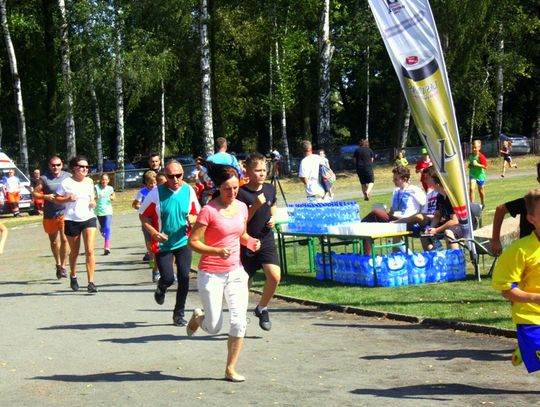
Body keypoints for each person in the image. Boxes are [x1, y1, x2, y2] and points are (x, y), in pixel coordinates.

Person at [187, 162, 260, 382]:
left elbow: (241, 234)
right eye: (228, 189)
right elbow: (193, 242)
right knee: (213, 327)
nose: (232, 192)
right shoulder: (208, 211)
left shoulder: (242, 208)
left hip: (236, 272)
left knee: (239, 322)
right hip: (211, 273)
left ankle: (230, 369)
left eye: (236, 188)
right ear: (218, 187)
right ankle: (199, 318)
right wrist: (216, 251)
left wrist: (250, 242)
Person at [139, 160, 200, 326]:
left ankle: (178, 313)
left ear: (183, 174)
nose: (175, 179)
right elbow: (143, 216)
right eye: (171, 176)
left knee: (184, 277)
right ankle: (161, 287)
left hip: (183, 240)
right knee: (168, 278)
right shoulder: (156, 193)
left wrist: (193, 219)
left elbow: (198, 214)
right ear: (165, 176)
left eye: (178, 176)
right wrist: (153, 232)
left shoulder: (188, 191)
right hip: (163, 243)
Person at [492, 188, 540, 373]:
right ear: (532, 219)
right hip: (531, 318)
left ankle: (525, 349)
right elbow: (506, 289)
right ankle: (527, 346)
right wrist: (536, 298)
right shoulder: (520, 251)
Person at [237, 152, 280, 331]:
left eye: (264, 170)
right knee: (245, 281)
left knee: (275, 276)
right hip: (246, 241)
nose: (262, 173)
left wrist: (274, 218)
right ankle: (240, 316)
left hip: (266, 238)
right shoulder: (240, 193)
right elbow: (240, 221)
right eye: (257, 170)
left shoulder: (270, 188)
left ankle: (262, 308)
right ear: (247, 171)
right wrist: (255, 206)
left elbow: (274, 206)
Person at [54, 156, 98, 293]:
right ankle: (73, 275)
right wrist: (67, 198)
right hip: (71, 220)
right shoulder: (66, 183)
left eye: (87, 167)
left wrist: (94, 203)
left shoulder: (90, 181)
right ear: (74, 168)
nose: (85, 169)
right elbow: (56, 198)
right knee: (75, 252)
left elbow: (93, 198)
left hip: (89, 218)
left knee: (90, 250)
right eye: (82, 166)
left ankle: (91, 282)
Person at [32, 155, 71, 279]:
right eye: (53, 165)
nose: (55, 167)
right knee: (54, 242)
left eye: (58, 165)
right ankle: (58, 264)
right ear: (49, 166)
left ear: (62, 165)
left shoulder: (68, 176)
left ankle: (64, 267)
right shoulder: (44, 178)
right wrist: (45, 197)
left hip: (64, 212)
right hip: (50, 214)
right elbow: (35, 193)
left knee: (65, 239)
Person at [491, 161, 540, 256]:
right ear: (538, 180)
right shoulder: (529, 202)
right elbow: (500, 209)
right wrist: (495, 240)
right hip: (527, 253)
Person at [422, 172, 463, 250]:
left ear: (437, 185)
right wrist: (430, 228)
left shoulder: (450, 197)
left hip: (463, 224)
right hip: (449, 224)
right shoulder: (440, 196)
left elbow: (454, 221)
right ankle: (436, 259)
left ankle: (454, 259)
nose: (431, 185)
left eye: (432, 183)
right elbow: (437, 216)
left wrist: (436, 230)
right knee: (424, 234)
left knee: (448, 233)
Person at [132, 171, 159, 282]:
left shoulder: (159, 191)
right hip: (147, 221)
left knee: (159, 246)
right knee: (150, 247)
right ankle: (153, 268)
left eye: (154, 182)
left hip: (158, 220)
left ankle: (159, 269)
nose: (153, 185)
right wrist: (141, 206)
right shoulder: (142, 192)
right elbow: (135, 204)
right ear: (146, 183)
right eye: (150, 183)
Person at [94, 173, 115, 255]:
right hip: (99, 211)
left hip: (108, 211)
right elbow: (92, 196)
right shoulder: (96, 187)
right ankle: (102, 230)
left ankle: (107, 247)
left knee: (107, 227)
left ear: (108, 180)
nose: (104, 181)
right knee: (104, 229)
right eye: (103, 179)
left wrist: (112, 198)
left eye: (106, 179)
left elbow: (113, 195)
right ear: (100, 180)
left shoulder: (110, 188)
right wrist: (96, 197)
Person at [468, 139, 488, 208]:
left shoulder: (481, 156)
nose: (474, 149)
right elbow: (471, 164)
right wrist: (470, 165)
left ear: (479, 148)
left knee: (481, 190)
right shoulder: (470, 155)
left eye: (475, 148)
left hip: (480, 175)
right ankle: (472, 205)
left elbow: (485, 166)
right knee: (471, 189)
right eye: (473, 147)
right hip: (472, 174)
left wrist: (477, 164)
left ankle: (482, 202)